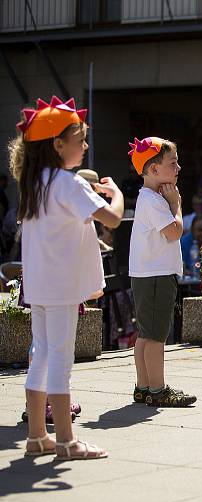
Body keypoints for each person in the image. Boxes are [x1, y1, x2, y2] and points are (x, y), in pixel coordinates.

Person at [12, 95, 123, 460]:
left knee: (41, 355)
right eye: (81, 139)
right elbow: (112, 219)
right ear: (58, 144)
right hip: (61, 286)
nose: (86, 146)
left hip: (40, 284)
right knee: (60, 359)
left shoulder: (34, 182)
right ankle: (66, 441)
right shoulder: (68, 182)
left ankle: (36, 437)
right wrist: (116, 194)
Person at [128, 136, 196, 407]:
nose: (178, 168)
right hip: (156, 274)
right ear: (153, 169)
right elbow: (174, 232)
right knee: (156, 335)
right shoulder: (155, 200)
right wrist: (177, 204)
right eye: (173, 163)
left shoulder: (147, 198)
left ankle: (143, 386)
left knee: (146, 334)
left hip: (147, 273)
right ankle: (158, 389)